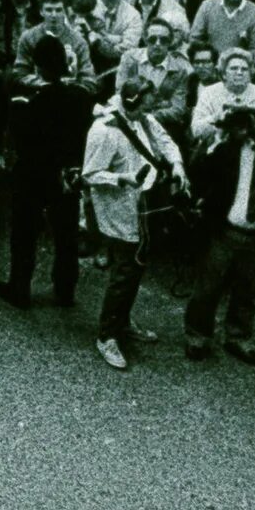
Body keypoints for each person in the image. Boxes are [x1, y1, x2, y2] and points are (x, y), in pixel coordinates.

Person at [82, 69, 188, 370]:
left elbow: (164, 141)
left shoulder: (142, 117)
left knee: (137, 267)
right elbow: (90, 175)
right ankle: (106, 335)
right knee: (123, 273)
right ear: (131, 102)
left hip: (146, 204)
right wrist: (124, 177)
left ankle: (123, 321)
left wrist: (177, 166)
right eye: (145, 107)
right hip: (120, 208)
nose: (149, 113)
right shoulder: (105, 129)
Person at [183, 51, 255, 366]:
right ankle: (198, 335)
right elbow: (199, 166)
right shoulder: (229, 151)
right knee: (208, 286)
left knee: (247, 292)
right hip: (225, 229)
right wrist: (222, 130)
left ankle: (238, 337)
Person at [0, 32, 90, 311]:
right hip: (66, 175)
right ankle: (65, 290)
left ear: (37, 67)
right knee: (66, 235)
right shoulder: (80, 97)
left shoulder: (29, 101)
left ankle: (20, 288)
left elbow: (18, 137)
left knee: (24, 233)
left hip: (32, 174)